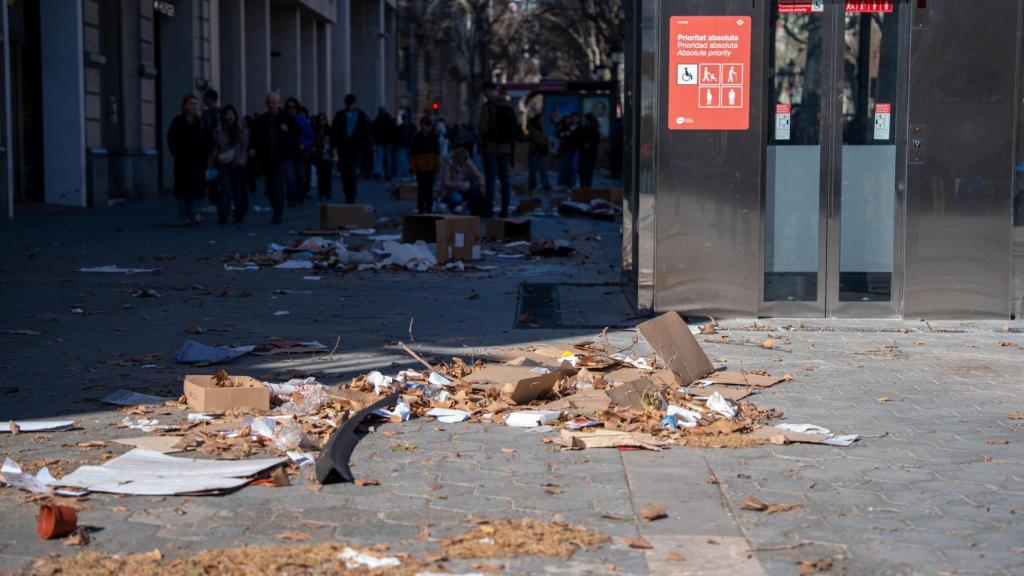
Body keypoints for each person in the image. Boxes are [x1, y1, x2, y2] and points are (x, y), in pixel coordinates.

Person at [250, 91, 300, 224]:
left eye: (274, 102)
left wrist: (287, 131)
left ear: (278, 103)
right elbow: (255, 137)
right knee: (270, 187)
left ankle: (278, 213)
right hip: (267, 158)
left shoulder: (287, 118)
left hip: (281, 157)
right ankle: (275, 206)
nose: (271, 105)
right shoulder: (262, 120)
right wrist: (254, 150)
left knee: (278, 186)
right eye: (269, 102)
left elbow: (296, 134)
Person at [167, 94, 210, 226]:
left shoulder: (201, 122)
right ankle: (184, 216)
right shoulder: (178, 121)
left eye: (195, 104)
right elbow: (171, 137)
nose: (194, 106)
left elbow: (208, 139)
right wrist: (175, 151)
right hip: (183, 161)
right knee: (182, 189)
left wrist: (205, 155)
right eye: (191, 103)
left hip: (197, 161)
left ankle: (195, 213)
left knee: (197, 188)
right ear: (185, 105)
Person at [478, 80, 518, 218]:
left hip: (490, 148)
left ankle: (489, 209)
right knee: (505, 179)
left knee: (490, 179)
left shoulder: (488, 107)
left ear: (487, 91)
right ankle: (505, 209)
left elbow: (482, 127)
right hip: (506, 148)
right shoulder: (508, 105)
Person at [331, 94, 372, 203]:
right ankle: (347, 192)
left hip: (356, 150)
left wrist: (367, 149)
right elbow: (334, 132)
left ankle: (351, 195)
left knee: (352, 174)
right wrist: (333, 147)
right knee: (345, 175)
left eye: (351, 104)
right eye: (348, 104)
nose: (350, 106)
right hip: (343, 150)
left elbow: (366, 134)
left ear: (355, 104)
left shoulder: (361, 116)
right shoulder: (340, 115)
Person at [211, 105, 249, 224]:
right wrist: (215, 156)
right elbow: (215, 145)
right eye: (228, 114)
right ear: (223, 116)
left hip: (237, 164)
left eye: (232, 114)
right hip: (223, 163)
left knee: (238, 190)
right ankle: (223, 214)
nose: (230, 117)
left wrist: (241, 161)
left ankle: (239, 213)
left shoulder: (241, 130)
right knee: (225, 189)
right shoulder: (218, 130)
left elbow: (245, 147)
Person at [408, 115, 441, 214]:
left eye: (429, 126)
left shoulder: (433, 138)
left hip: (430, 168)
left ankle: (429, 208)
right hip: (421, 168)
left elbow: (437, 155)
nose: (428, 127)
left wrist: (437, 168)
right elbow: (413, 155)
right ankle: (421, 208)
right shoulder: (416, 138)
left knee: (429, 190)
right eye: (427, 125)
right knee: (422, 190)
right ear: (422, 125)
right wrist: (413, 168)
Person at [441, 147, 487, 216]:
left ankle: (479, 215)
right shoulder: (449, 164)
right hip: (452, 190)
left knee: (478, 192)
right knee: (457, 198)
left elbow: (478, 175)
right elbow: (446, 182)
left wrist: (482, 185)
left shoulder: (467, 162)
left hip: (466, 188)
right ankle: (456, 209)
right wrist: (459, 184)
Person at [283, 97, 312, 206]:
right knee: (290, 177)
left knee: (301, 176)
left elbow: (310, 135)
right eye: (289, 108)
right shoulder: (283, 119)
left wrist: (303, 144)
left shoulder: (302, 120)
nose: (291, 110)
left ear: (297, 108)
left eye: (293, 107)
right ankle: (291, 198)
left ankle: (300, 194)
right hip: (288, 152)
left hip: (299, 152)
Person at [201, 89, 222, 204]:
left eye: (205, 98)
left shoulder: (208, 113)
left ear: (210, 99)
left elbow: (207, 130)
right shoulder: (221, 111)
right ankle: (219, 199)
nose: (203, 100)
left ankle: (214, 200)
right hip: (222, 148)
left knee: (211, 174)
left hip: (210, 148)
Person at [312, 114, 336, 201]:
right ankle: (321, 193)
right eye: (320, 119)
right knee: (320, 175)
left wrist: (333, 153)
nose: (322, 121)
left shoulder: (329, 130)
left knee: (327, 176)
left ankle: (328, 193)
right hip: (318, 155)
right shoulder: (315, 130)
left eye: (323, 119)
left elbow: (333, 142)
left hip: (327, 155)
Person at [527, 115, 552, 194]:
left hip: (541, 151)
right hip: (535, 151)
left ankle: (546, 186)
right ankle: (533, 187)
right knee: (533, 171)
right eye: (541, 119)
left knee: (543, 170)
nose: (543, 120)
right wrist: (545, 142)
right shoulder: (533, 128)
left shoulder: (541, 127)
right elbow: (538, 139)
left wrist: (545, 141)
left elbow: (545, 138)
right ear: (537, 120)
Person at [557, 113, 581, 188]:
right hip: (567, 150)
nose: (574, 119)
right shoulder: (566, 127)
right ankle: (567, 184)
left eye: (575, 118)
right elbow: (560, 134)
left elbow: (581, 138)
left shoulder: (580, 128)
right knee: (567, 168)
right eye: (572, 118)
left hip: (576, 149)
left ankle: (572, 184)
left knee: (574, 167)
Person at [578, 113, 601, 188]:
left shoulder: (594, 129)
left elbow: (596, 140)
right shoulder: (584, 128)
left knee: (588, 170)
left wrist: (589, 144)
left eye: (586, 120)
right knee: (582, 170)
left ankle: (587, 186)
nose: (585, 121)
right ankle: (583, 185)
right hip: (584, 152)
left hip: (591, 152)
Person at [371, 107, 395, 180]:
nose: (381, 113)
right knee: (384, 158)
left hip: (385, 142)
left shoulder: (379, 120)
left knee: (382, 158)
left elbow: (373, 131)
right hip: (384, 142)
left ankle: (382, 173)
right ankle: (384, 173)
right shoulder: (388, 120)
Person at [393, 111, 416, 181]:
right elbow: (396, 138)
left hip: (410, 147)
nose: (406, 120)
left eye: (407, 118)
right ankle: (404, 175)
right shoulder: (399, 128)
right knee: (402, 162)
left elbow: (415, 137)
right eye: (405, 118)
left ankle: (410, 175)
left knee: (410, 162)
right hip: (402, 147)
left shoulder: (413, 127)